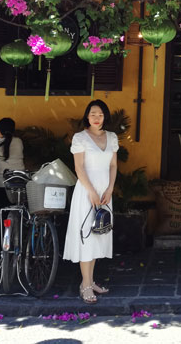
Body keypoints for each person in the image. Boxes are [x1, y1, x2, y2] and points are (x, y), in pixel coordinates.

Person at [63, 99, 118, 304]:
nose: (97, 118)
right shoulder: (80, 138)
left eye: (101, 114)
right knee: (86, 235)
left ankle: (90, 280)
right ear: (87, 116)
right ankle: (85, 284)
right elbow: (79, 168)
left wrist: (110, 188)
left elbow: (113, 165)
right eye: (93, 114)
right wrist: (92, 191)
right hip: (87, 191)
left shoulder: (111, 137)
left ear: (105, 117)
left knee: (97, 234)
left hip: (105, 192)